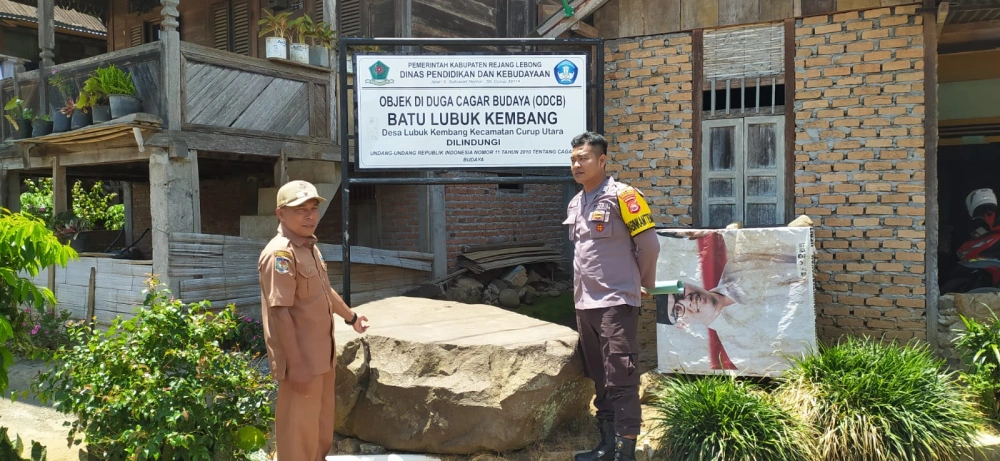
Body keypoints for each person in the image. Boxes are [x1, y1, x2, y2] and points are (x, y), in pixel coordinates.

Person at [563, 132, 660, 461]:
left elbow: (650, 246)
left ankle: (625, 451)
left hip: (617, 301)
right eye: (574, 159)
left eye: (584, 158)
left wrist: (643, 283)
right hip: (585, 304)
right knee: (600, 378)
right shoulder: (576, 202)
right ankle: (605, 447)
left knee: (621, 376)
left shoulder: (625, 197)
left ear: (602, 161)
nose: (577, 164)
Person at [258, 180, 370, 461]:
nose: (309, 216)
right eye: (300, 210)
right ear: (280, 214)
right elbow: (279, 312)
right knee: (298, 434)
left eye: (313, 209)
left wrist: (351, 317)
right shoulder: (280, 254)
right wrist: (295, 365)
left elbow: (324, 290)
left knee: (319, 430)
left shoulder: (308, 247)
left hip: (321, 356)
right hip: (301, 361)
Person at [659, 230, 811, 374]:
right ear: (681, 324)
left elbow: (800, 253)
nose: (688, 301)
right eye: (678, 310)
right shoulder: (738, 348)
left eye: (678, 292)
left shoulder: (738, 266)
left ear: (685, 283)